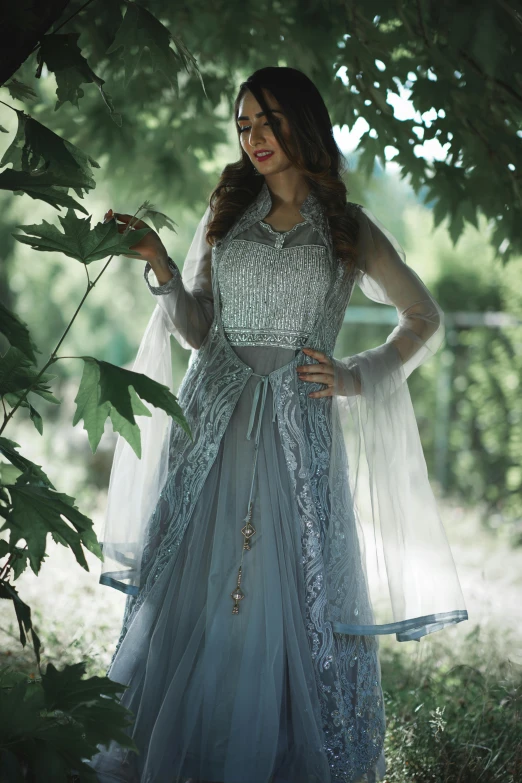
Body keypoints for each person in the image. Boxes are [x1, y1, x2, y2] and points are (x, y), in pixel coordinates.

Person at [90, 66, 468, 783]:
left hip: (299, 434)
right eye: (242, 125)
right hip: (212, 423)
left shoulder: (348, 228)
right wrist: (162, 268)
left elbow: (423, 317)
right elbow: (201, 330)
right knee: (193, 588)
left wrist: (353, 374)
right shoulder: (226, 213)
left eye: (266, 120)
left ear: (302, 121)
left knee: (296, 591)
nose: (253, 137)